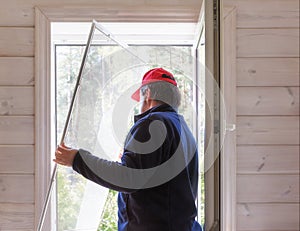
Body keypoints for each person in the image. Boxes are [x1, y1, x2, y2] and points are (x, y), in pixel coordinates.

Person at [54, 67, 202, 231]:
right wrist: (131, 159)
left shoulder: (152, 123)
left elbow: (129, 178)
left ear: (148, 95)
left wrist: (77, 159)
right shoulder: (184, 129)